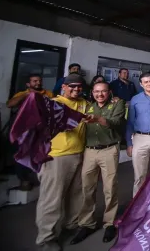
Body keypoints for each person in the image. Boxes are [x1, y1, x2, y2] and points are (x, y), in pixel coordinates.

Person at [36, 73, 89, 251]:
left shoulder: (84, 103)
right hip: (56, 157)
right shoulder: (54, 104)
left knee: (76, 195)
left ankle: (71, 225)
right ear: (63, 87)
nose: (76, 89)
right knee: (51, 199)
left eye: (79, 86)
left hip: (79, 154)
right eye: (72, 86)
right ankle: (46, 239)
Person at [70, 82, 126, 245]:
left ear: (109, 92)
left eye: (103, 91)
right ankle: (86, 223)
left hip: (109, 149)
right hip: (89, 151)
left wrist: (98, 119)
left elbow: (116, 123)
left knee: (110, 188)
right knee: (87, 188)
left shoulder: (117, 104)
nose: (100, 94)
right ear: (92, 93)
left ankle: (109, 223)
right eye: (96, 91)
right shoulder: (88, 106)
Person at [7, 74, 54, 191]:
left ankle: (39, 179)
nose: (38, 83)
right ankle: (24, 180)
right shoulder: (22, 94)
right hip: (25, 131)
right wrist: (28, 95)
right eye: (34, 81)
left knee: (40, 153)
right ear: (28, 84)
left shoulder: (48, 94)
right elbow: (10, 104)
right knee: (23, 153)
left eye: (39, 81)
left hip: (42, 130)